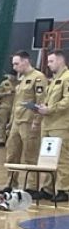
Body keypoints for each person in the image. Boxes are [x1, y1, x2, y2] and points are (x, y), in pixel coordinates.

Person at [0, 50, 49, 196]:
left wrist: (37, 121)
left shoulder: (38, 78)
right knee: (12, 153)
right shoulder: (21, 79)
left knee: (30, 154)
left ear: (25, 61)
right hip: (17, 122)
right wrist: (11, 122)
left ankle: (32, 186)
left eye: (16, 63)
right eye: (13, 64)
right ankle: (10, 182)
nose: (14, 67)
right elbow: (17, 103)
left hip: (29, 122)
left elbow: (41, 101)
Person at [35, 49, 69, 203]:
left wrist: (50, 109)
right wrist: (41, 107)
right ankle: (48, 189)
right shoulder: (54, 80)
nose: (48, 64)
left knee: (62, 159)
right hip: (48, 124)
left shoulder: (67, 78)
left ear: (61, 60)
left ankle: (64, 189)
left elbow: (67, 100)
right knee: (48, 158)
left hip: (61, 125)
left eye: (51, 61)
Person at [0, 72, 15, 144]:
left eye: (13, 76)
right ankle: (1, 140)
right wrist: (6, 93)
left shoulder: (18, 83)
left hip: (14, 107)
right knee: (3, 123)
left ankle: (11, 140)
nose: (12, 77)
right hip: (5, 106)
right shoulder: (4, 83)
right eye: (10, 75)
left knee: (13, 124)